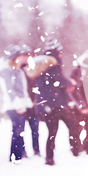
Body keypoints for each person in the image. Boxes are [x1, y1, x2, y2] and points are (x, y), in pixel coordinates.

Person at [26, 37, 82, 165]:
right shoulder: (52, 65)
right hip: (54, 104)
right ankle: (68, 153)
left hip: (49, 104)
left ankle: (59, 155)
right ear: (57, 52)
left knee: (54, 131)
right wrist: (71, 82)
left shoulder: (43, 64)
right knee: (68, 126)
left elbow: (53, 83)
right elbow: (60, 80)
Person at [0, 44, 33, 163]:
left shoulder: (16, 69)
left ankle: (18, 155)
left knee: (19, 130)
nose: (22, 58)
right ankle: (15, 157)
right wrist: (18, 105)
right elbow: (9, 90)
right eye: (20, 56)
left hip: (19, 104)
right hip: (12, 105)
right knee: (17, 131)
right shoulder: (6, 71)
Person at [69, 54, 88, 155]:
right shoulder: (78, 71)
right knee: (76, 128)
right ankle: (76, 149)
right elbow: (73, 90)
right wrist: (81, 105)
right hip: (79, 106)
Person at [19, 44, 41, 157]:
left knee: (35, 129)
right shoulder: (18, 70)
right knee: (21, 130)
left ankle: (36, 150)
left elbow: (37, 86)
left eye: (29, 55)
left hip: (33, 104)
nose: (27, 57)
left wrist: (35, 99)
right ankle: (22, 152)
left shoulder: (34, 68)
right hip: (23, 103)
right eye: (25, 55)